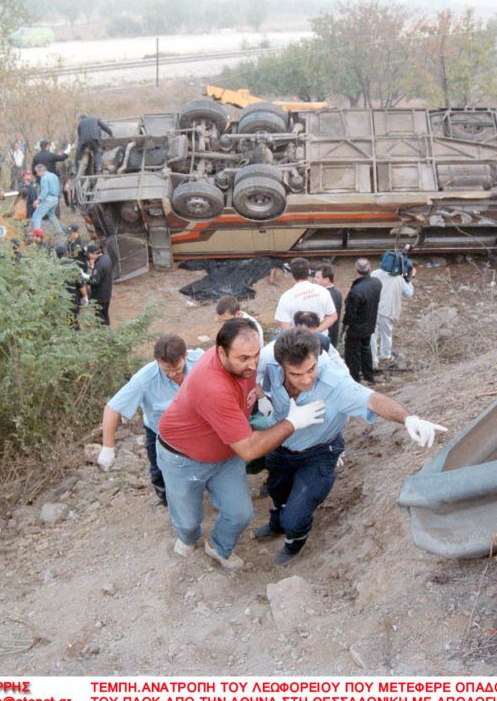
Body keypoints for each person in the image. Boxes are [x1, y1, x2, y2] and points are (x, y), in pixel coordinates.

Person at [255, 328, 445, 565]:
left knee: (296, 515)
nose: (306, 379)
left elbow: (373, 400)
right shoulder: (271, 367)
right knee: (277, 490)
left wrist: (408, 418)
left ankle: (294, 540)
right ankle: (276, 524)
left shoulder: (335, 384)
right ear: (282, 365)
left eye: (311, 369)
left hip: (317, 453)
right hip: (281, 446)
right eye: (296, 374)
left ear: (317, 358)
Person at [156, 318, 327, 570]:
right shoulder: (212, 385)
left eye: (256, 355)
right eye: (243, 358)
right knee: (189, 520)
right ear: (221, 352)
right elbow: (248, 449)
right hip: (183, 457)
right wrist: (292, 422)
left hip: (225, 453)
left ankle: (218, 546)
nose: (252, 364)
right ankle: (187, 537)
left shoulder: (244, 364)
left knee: (239, 514)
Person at [98, 335, 205, 506]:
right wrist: (107, 448)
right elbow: (113, 408)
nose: (172, 375)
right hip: (161, 435)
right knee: (159, 473)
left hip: (198, 428)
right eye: (166, 371)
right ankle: (167, 502)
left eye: (176, 369)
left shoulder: (201, 361)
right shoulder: (144, 379)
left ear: (185, 356)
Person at [371, 252, 415, 366]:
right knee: (386, 334)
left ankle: (373, 360)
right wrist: (410, 279)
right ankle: (385, 356)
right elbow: (409, 294)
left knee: (373, 335)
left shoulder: (374, 274)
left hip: (372, 309)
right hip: (388, 311)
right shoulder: (399, 279)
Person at [342, 258, 382, 384]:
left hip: (356, 329)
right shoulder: (377, 283)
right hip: (370, 324)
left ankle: (354, 379)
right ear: (370, 270)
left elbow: (350, 313)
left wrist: (344, 327)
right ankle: (368, 376)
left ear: (356, 271)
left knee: (352, 355)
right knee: (366, 349)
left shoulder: (356, 291)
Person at [274, 257, 337, 334]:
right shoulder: (323, 291)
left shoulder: (286, 297)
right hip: (319, 340)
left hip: (297, 341)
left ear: (292, 275)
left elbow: (285, 328)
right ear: (308, 272)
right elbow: (332, 316)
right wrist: (316, 331)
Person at [54, 243, 88, 326]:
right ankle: (75, 334)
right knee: (73, 322)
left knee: (69, 320)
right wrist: (85, 297)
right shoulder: (72, 266)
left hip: (62, 300)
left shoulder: (55, 267)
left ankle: (72, 331)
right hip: (72, 300)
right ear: (66, 253)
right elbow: (81, 285)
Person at [313, 263, 343, 346]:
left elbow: (331, 319)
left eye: (317, 277)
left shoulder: (328, 294)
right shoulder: (336, 292)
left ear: (326, 279)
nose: (315, 279)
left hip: (327, 336)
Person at [32, 163, 64, 235]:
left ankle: (36, 234)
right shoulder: (54, 176)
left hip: (48, 199)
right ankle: (60, 231)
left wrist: (38, 200)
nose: (37, 175)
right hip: (55, 199)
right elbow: (59, 187)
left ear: (40, 171)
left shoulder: (44, 178)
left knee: (36, 215)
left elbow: (45, 191)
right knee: (52, 215)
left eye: (37, 172)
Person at [86, 242, 113, 325]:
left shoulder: (98, 265)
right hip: (107, 293)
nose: (88, 256)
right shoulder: (106, 258)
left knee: (99, 317)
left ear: (94, 254)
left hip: (99, 296)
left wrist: (86, 278)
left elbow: (94, 282)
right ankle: (107, 332)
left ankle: (102, 335)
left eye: (89, 254)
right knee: (104, 314)